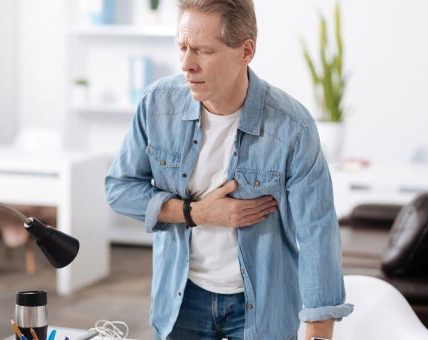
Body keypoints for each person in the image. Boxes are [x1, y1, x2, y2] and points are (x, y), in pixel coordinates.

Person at [105, 0, 353, 339]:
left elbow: (317, 232)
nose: (186, 64)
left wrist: (319, 328)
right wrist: (196, 213)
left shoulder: (292, 127)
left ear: (245, 51)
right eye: (182, 47)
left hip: (262, 305)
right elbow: (119, 189)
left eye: (203, 51)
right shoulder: (156, 104)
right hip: (181, 296)